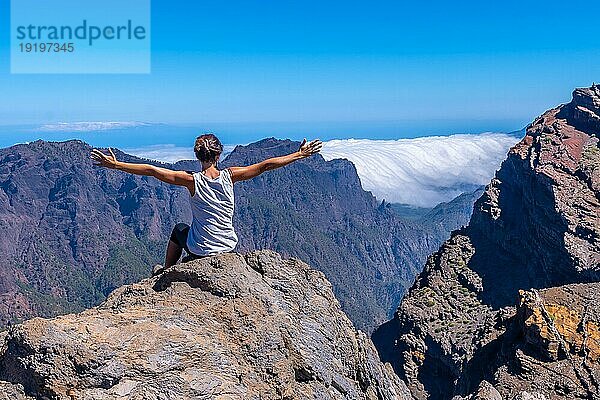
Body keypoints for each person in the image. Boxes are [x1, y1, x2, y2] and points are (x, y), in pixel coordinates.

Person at [90, 134, 323, 274]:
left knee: (179, 229)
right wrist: (299, 155)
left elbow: (152, 171)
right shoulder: (230, 176)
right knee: (184, 229)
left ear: (197, 156)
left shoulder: (191, 180)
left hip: (201, 250)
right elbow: (265, 165)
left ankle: (167, 271)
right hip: (228, 246)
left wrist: (116, 165)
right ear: (218, 156)